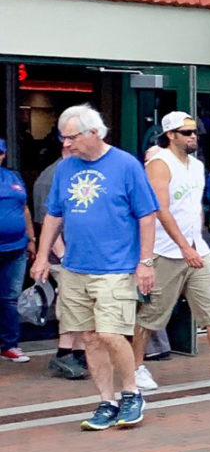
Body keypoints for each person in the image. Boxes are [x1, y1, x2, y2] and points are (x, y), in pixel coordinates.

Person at [30, 106, 157, 432]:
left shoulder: (126, 165)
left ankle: (131, 393)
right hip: (75, 268)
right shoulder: (65, 169)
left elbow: (147, 215)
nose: (67, 144)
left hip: (115, 268)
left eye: (72, 137)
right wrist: (43, 256)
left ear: (94, 133)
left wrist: (145, 262)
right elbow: (54, 214)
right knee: (89, 336)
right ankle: (106, 401)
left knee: (110, 333)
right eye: (64, 137)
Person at [131, 113, 210, 395]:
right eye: (186, 132)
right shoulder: (159, 164)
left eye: (194, 132)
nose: (193, 137)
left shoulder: (198, 166)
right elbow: (160, 210)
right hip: (165, 251)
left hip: (197, 250)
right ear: (171, 135)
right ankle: (135, 367)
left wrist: (195, 239)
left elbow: (194, 205)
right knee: (151, 315)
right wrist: (184, 247)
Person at [32, 144, 86, 379]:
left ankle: (79, 353)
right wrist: (63, 256)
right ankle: (64, 355)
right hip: (63, 257)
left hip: (79, 256)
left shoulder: (74, 173)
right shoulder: (51, 178)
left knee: (81, 304)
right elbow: (48, 223)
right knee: (70, 304)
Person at [0, 140, 35, 365]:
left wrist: (31, 239)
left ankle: (9, 345)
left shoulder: (13, 177)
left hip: (16, 246)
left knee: (10, 299)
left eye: (0, 152)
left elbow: (24, 208)